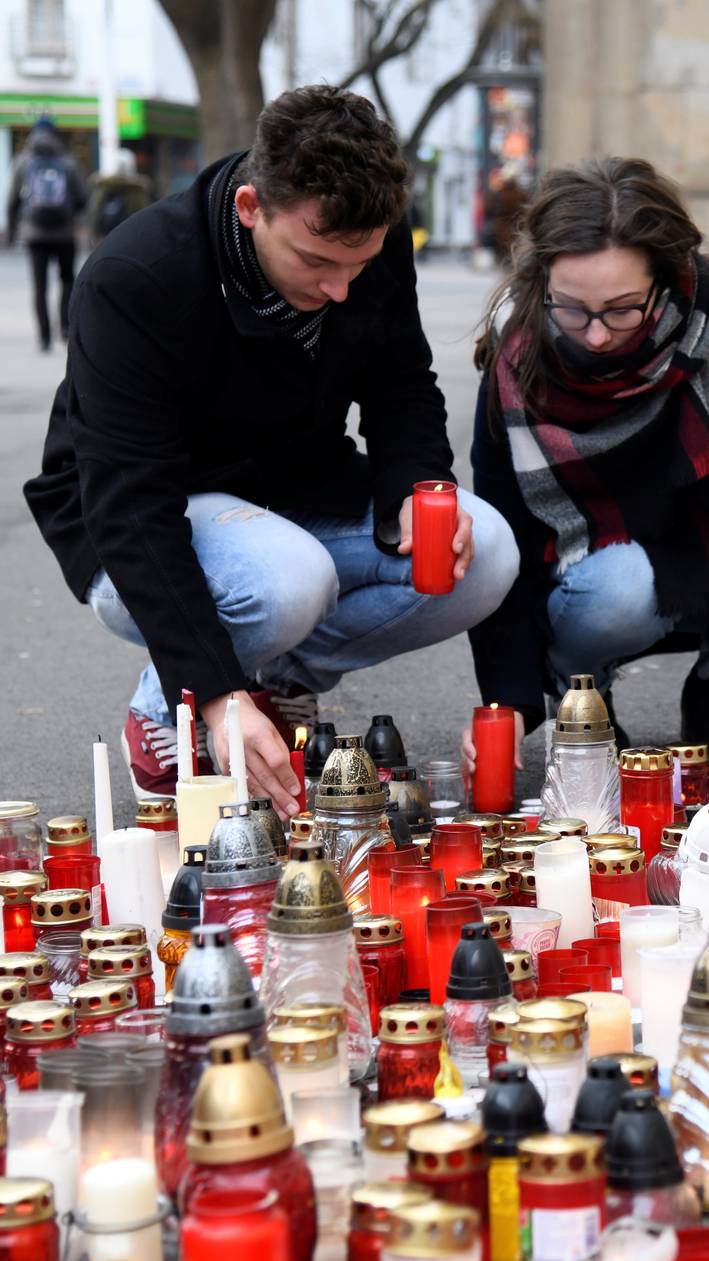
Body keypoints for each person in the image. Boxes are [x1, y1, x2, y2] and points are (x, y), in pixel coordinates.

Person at [24, 86, 519, 815]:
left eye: (361, 262)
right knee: (289, 582)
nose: (342, 288)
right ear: (252, 206)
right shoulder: (137, 278)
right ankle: (168, 713)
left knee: (487, 556)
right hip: (139, 519)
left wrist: (415, 486)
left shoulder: (361, 241)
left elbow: (402, 386)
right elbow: (130, 504)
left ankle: (279, 684)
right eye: (317, 260)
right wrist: (213, 694)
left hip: (294, 488)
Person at [462, 158, 709, 775]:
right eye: (572, 308)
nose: (596, 335)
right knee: (619, 588)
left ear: (666, 276)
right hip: (596, 575)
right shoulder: (518, 350)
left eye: (623, 308)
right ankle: (586, 699)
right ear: (542, 281)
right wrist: (511, 703)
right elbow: (505, 540)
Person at [6, 116, 88, 351]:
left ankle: (44, 337)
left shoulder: (23, 161)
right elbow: (83, 199)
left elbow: (12, 200)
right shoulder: (68, 161)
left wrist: (13, 232)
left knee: (40, 286)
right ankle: (64, 327)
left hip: (34, 233)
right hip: (64, 233)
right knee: (67, 281)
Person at [85, 148, 154, 247]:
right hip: (130, 236)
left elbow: (94, 211)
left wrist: (92, 234)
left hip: (106, 235)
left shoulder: (103, 185)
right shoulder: (137, 188)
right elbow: (143, 215)